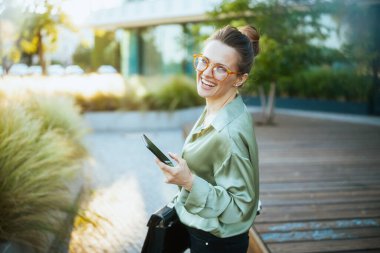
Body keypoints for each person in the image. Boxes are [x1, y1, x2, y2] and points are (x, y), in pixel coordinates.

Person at [154, 25, 260, 253]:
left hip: (216, 243)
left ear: (240, 79)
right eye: (204, 61)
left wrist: (189, 181)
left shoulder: (228, 133)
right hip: (204, 232)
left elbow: (240, 207)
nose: (206, 72)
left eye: (221, 68)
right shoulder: (220, 105)